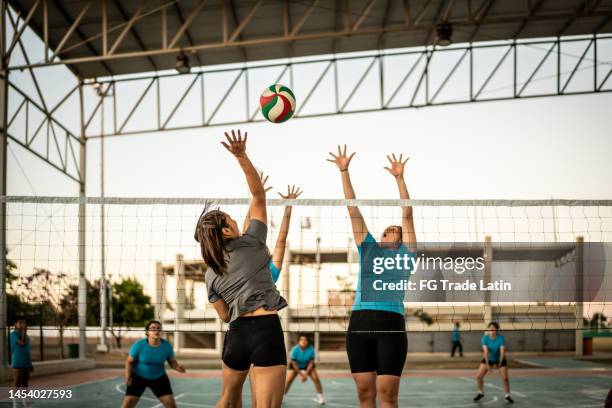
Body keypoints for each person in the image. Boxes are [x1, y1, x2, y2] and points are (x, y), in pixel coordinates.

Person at [194, 130, 288, 408]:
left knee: (226, 400)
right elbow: (258, 194)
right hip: (264, 330)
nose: (236, 219)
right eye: (230, 218)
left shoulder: (209, 273)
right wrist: (241, 156)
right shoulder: (252, 241)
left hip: (235, 336)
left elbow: (223, 315)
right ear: (225, 230)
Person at [327, 146, 417, 408]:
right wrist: (344, 171)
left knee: (388, 396)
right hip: (360, 323)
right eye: (384, 231)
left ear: (401, 240)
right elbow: (352, 209)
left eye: (392, 231)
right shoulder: (368, 248)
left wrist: (399, 179)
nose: (385, 233)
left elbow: (407, 214)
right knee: (365, 394)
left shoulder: (407, 255)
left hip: (391, 324)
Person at [244, 174, 302, 408]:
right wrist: (256, 197)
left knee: (262, 395)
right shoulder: (243, 260)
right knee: (255, 394)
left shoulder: (271, 271)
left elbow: (282, 239)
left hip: (263, 328)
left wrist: (288, 207)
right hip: (244, 328)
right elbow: (248, 227)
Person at [121, 320, 186, 408]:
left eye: (158, 328)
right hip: (138, 377)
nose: (156, 330)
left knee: (171, 405)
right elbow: (129, 361)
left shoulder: (167, 346)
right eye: (153, 328)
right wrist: (127, 375)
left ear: (161, 332)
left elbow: (172, 361)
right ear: (147, 332)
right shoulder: (139, 345)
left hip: (159, 377)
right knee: (128, 404)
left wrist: (178, 368)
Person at [473, 322, 513, 404]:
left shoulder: (500, 338)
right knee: (478, 376)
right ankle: (480, 393)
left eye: (493, 327)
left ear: (496, 330)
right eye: (490, 327)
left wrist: (500, 363)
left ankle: (507, 395)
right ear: (488, 329)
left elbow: (502, 352)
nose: (491, 328)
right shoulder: (485, 338)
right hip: (489, 359)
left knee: (505, 378)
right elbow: (485, 352)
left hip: (500, 358)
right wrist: (488, 365)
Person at [285, 334, 325, 405]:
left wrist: (305, 374)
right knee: (288, 380)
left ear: (308, 341)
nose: (303, 341)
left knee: (316, 379)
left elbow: (311, 363)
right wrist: (301, 375)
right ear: (298, 341)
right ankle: (282, 396)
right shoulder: (295, 349)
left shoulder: (311, 349)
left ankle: (320, 397)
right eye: (301, 340)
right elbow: (294, 364)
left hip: (307, 365)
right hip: (296, 366)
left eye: (305, 340)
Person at [10, 317, 33, 408]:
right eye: (20, 322)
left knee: (25, 384)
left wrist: (30, 363)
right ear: (15, 324)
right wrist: (24, 332)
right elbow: (21, 343)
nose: (23, 324)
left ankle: (25, 403)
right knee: (17, 383)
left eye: (24, 322)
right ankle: (15, 403)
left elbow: (27, 350)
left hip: (26, 363)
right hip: (17, 362)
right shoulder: (13, 334)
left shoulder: (26, 336)